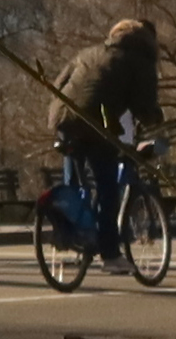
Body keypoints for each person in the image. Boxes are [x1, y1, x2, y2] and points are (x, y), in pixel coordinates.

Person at [54, 16, 163, 255]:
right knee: (107, 188)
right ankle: (110, 253)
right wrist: (155, 120)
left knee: (74, 181)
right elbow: (144, 106)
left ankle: (69, 231)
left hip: (62, 118)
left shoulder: (89, 53)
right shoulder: (140, 60)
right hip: (95, 124)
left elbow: (59, 83)